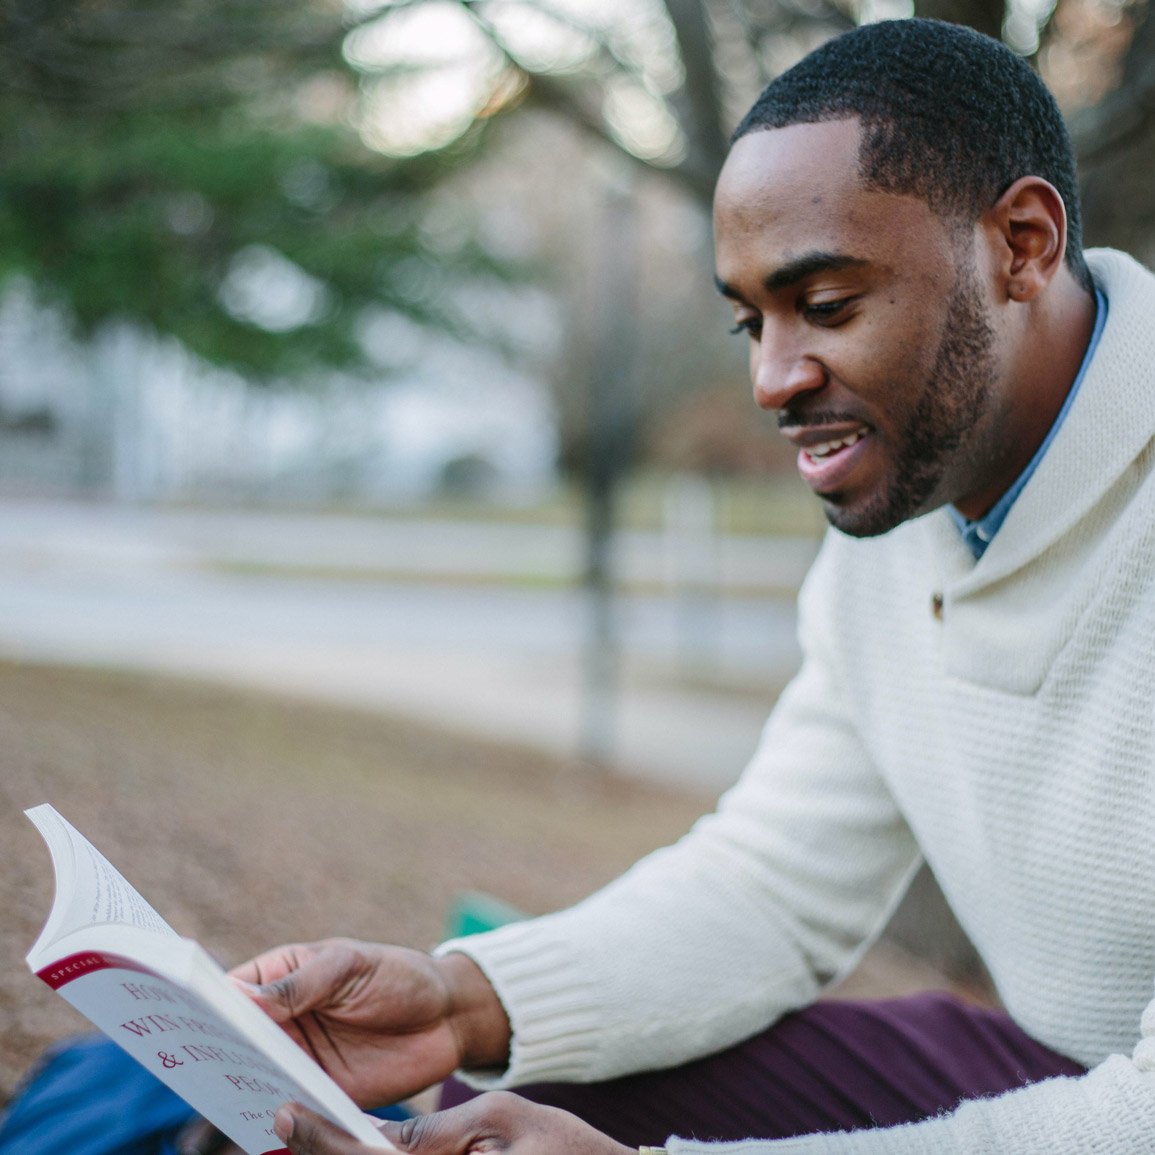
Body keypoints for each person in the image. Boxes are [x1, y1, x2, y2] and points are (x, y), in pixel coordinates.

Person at [234, 17, 1155, 1154]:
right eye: (749, 318)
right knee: (516, 1108)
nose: (772, 379)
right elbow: (772, 885)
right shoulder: (906, 526)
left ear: (1020, 243)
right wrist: (461, 997)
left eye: (824, 305)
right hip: (1065, 1064)